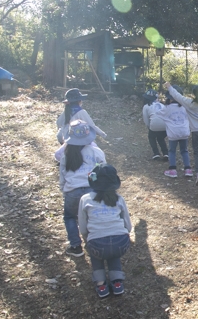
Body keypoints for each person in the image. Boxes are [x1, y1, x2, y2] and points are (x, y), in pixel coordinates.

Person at [79, 163, 132, 298]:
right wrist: (124, 233)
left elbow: (83, 225)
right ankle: (117, 283)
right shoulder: (119, 199)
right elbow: (128, 224)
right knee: (113, 252)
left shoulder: (85, 199)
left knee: (97, 253)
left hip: (97, 243)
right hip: (121, 242)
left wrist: (87, 238)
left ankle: (101, 284)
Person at [59, 120, 107, 257]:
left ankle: (75, 246)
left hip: (72, 191)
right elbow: (103, 170)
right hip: (93, 189)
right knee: (92, 216)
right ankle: (95, 241)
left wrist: (64, 189)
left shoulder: (66, 155)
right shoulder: (96, 152)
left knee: (70, 217)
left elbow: (62, 175)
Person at [154, 85, 192, 178]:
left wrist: (157, 103)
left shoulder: (167, 108)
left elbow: (157, 113)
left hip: (173, 134)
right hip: (184, 132)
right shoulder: (185, 107)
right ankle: (188, 170)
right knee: (184, 151)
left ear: (168, 97)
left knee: (172, 151)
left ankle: (173, 170)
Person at [142, 89, 168, 161]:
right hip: (165, 126)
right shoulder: (162, 105)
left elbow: (146, 120)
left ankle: (156, 153)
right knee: (160, 138)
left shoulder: (146, 106)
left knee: (151, 137)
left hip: (154, 126)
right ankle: (166, 153)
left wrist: (150, 127)